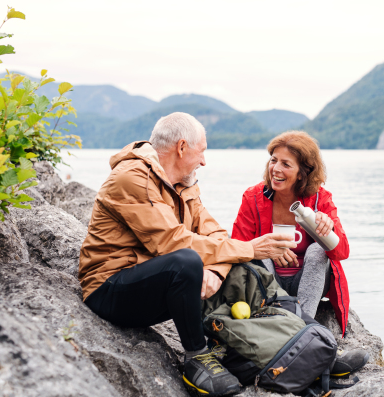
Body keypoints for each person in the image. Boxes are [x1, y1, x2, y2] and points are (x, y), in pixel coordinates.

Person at [78, 112, 297, 397]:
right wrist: (249, 248)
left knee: (240, 266)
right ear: (182, 148)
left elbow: (215, 234)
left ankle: (300, 339)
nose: (204, 161)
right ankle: (197, 357)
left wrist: (218, 270)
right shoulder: (131, 178)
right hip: (110, 290)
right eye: (202, 151)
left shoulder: (185, 182)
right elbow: (172, 243)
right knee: (190, 261)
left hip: (156, 283)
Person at [232, 131, 351, 334]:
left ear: (302, 173)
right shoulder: (253, 197)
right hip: (268, 282)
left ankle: (301, 328)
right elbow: (236, 247)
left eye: (286, 164)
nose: (275, 169)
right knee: (257, 251)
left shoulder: (320, 199)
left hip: (307, 284)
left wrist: (328, 228)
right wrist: (266, 247)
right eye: (273, 160)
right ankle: (278, 318)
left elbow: (342, 253)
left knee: (317, 251)